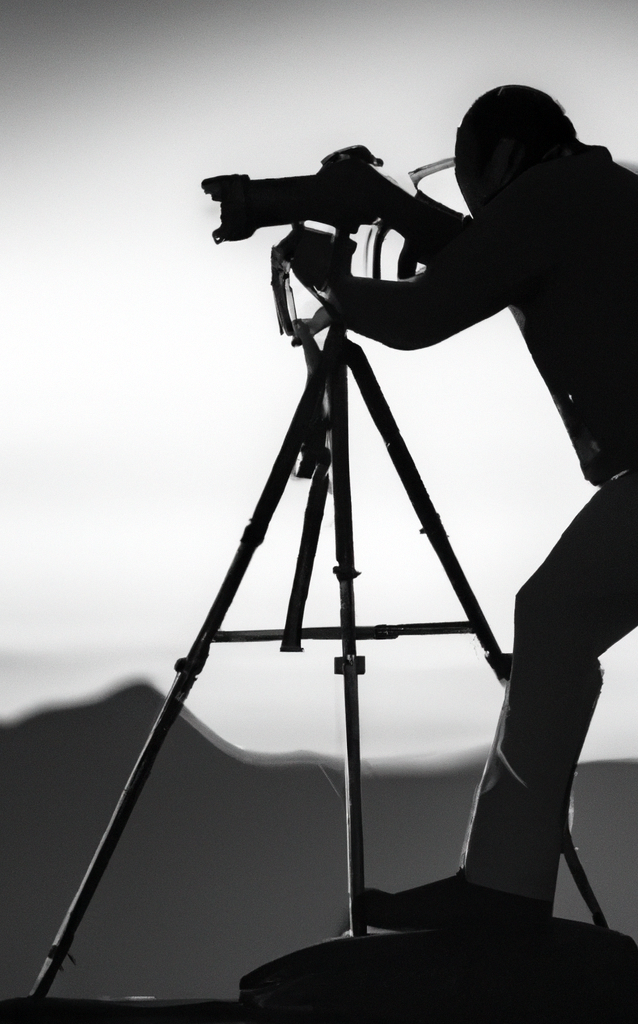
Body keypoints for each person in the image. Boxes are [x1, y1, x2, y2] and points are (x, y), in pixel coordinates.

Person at [283, 85, 638, 930]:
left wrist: (332, 279)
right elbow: (487, 255)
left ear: (503, 157)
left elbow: (423, 314)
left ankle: (504, 893)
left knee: (553, 617)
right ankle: (504, 887)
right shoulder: (594, 190)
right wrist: (398, 213)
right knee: (558, 619)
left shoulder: (551, 198)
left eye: (467, 173)